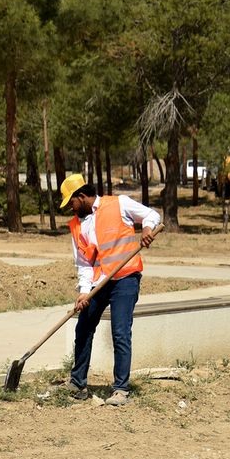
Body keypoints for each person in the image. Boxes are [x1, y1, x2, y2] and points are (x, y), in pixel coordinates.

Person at [58, 174, 160, 406]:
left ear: (81, 196)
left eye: (71, 202)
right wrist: (84, 292)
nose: (70, 208)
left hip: (125, 278)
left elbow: (152, 215)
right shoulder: (76, 225)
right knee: (83, 328)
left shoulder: (119, 204)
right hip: (99, 283)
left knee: (120, 332)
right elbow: (84, 263)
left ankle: (121, 390)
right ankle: (77, 382)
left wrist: (146, 229)